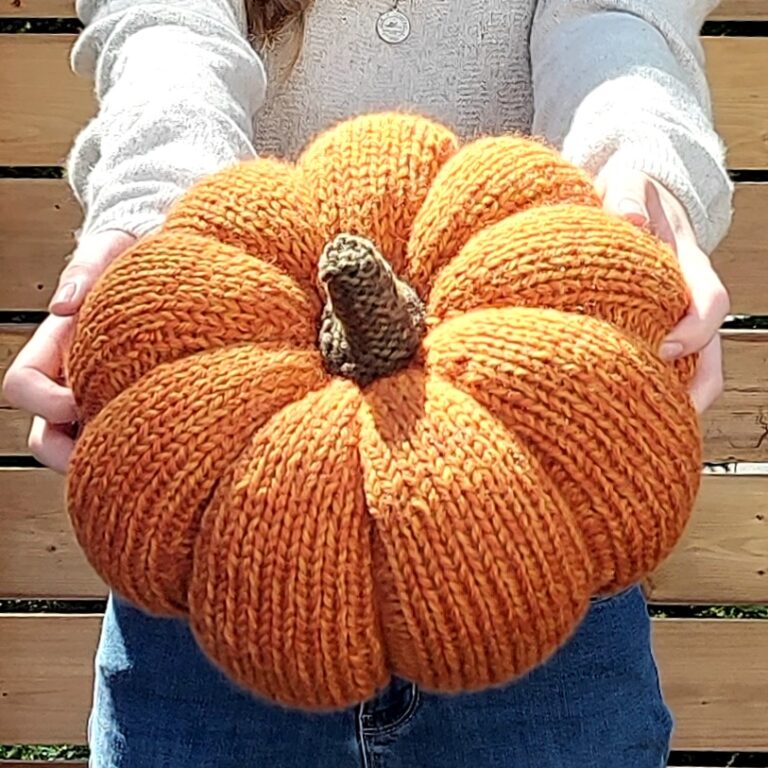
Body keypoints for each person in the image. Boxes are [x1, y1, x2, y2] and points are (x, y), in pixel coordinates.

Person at [3, 1, 733, 765]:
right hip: (232, 548)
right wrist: (160, 220)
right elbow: (169, 24)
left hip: (528, 543)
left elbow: (612, 14)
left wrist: (638, 170)